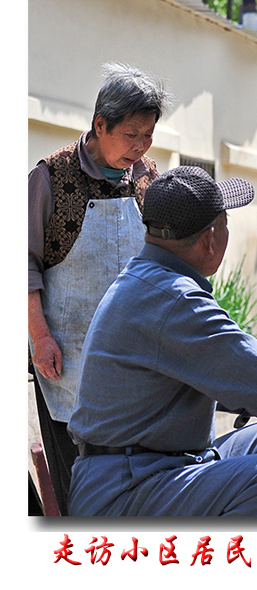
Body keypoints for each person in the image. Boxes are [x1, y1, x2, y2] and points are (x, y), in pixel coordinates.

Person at [66, 166, 257, 517]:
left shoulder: (148, 277)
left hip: (147, 466)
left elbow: (239, 371)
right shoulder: (173, 299)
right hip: (123, 491)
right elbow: (254, 371)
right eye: (225, 223)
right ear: (211, 238)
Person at [28, 62, 172, 513]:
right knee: (81, 486)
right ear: (99, 125)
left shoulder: (147, 176)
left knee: (137, 485)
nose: (140, 146)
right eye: (131, 134)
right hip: (69, 360)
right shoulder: (50, 178)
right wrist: (40, 337)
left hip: (139, 360)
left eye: (147, 135)